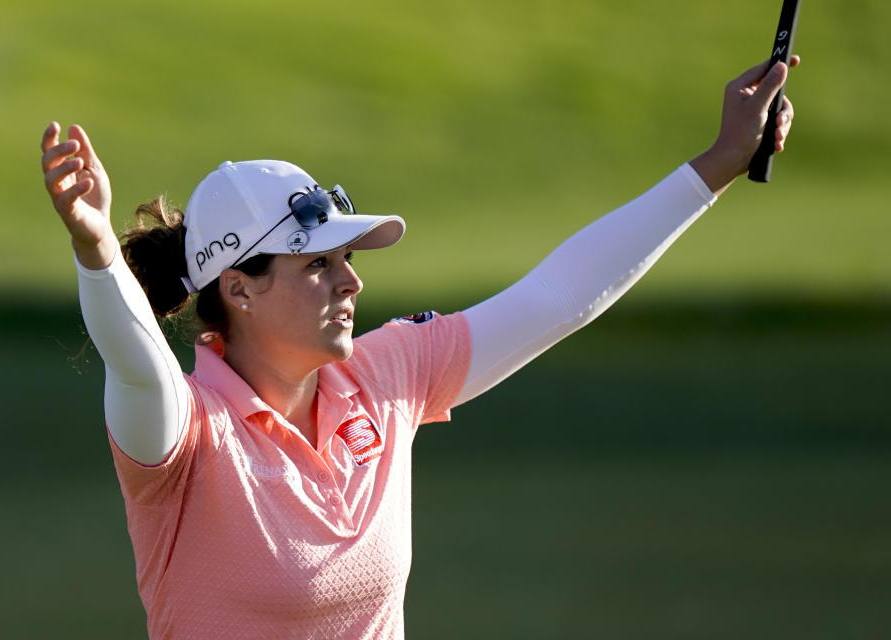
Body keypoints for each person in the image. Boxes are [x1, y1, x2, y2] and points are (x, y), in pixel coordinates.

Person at [40, 56, 799, 640]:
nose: (351, 284)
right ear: (239, 288)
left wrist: (719, 165)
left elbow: (556, 299)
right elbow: (134, 358)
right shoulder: (186, 431)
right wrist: (97, 246)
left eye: (347, 261)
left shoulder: (388, 374)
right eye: (319, 265)